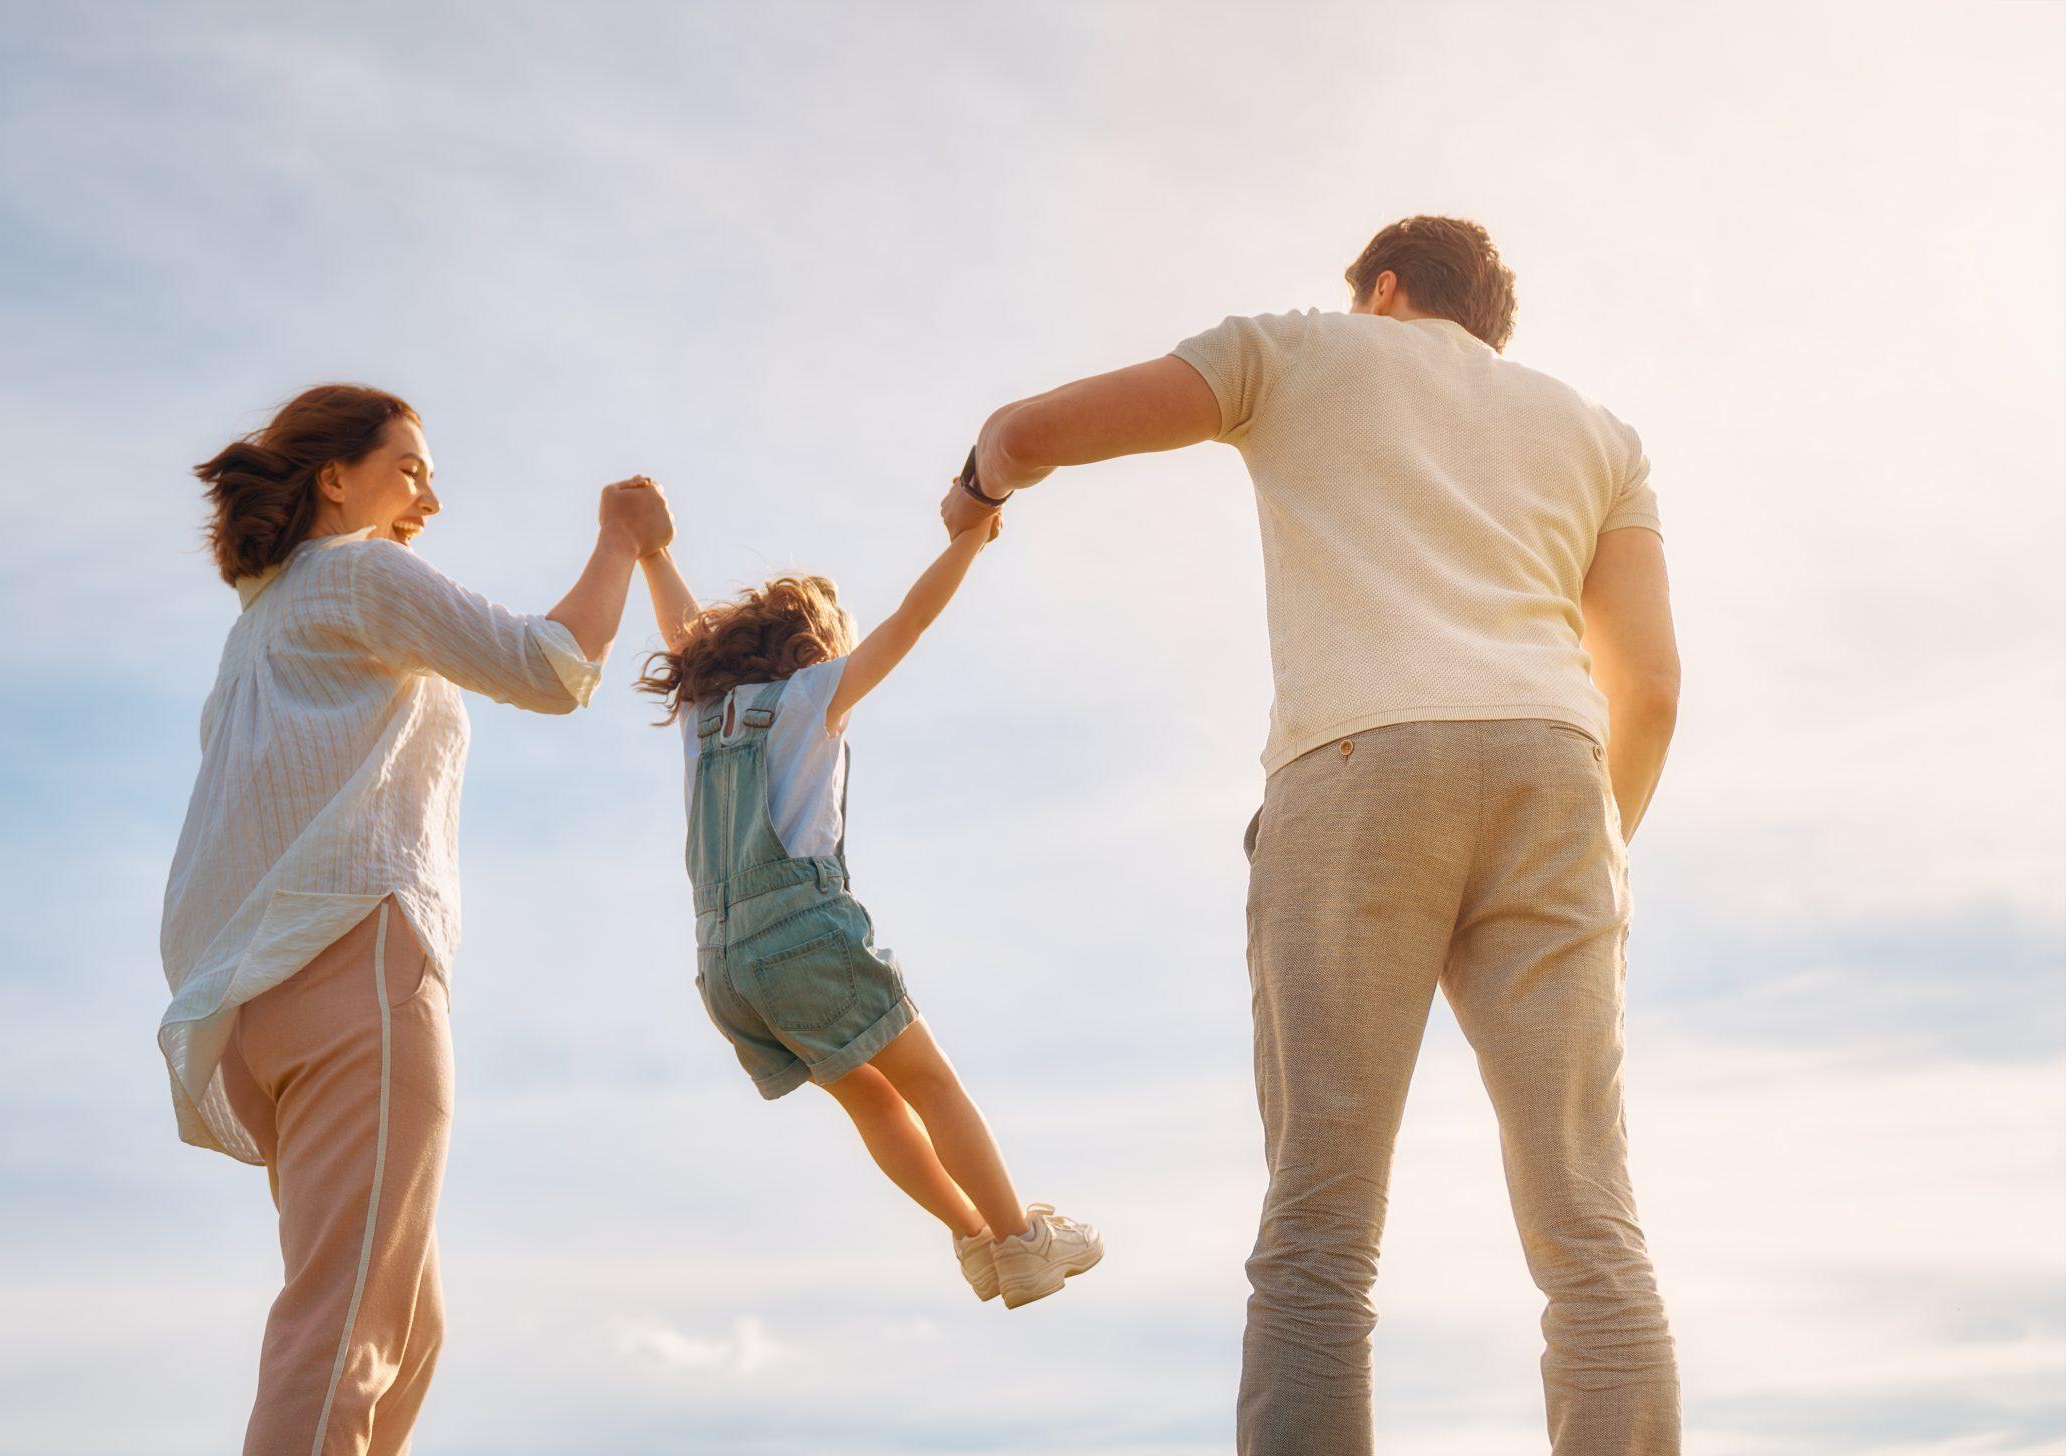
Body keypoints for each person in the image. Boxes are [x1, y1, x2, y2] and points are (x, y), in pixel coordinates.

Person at [944, 217, 1684, 1452]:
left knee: (1320, 1236)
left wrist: (976, 488)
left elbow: (1028, 434)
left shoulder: (1292, 353)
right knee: (1590, 1231)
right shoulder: (1600, 435)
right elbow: (1649, 687)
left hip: (1358, 766)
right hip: (1558, 778)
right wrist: (1594, 846)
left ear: (1382, 289)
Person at [158, 383, 669, 1454]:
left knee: (406, 1325)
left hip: (255, 1006)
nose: (429, 494)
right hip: (353, 969)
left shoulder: (258, 626)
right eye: (410, 468)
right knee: (344, 1329)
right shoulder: (356, 571)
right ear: (333, 479)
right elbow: (552, 667)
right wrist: (621, 541)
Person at [632, 513, 1104, 1310]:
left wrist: (654, 550)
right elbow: (911, 621)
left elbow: (682, 635)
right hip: (801, 935)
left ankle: (975, 1237)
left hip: (723, 965)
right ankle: (1021, 1240)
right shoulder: (812, 692)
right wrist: (967, 541)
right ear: (816, 647)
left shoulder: (701, 715)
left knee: (871, 1099)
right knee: (931, 1083)